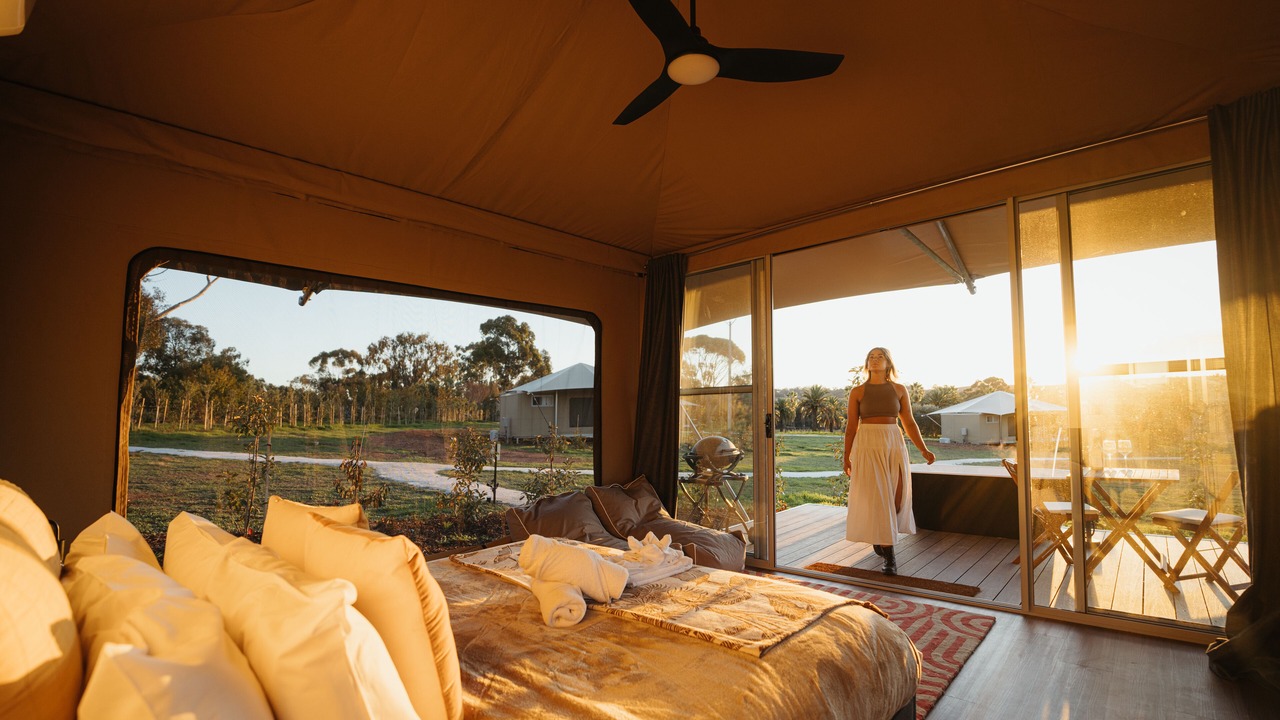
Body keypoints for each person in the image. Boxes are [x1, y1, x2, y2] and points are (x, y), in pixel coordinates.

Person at [842, 347, 936, 575]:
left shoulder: (899, 389)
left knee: (896, 497)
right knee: (880, 497)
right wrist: (847, 457)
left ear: (888, 363)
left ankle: (881, 536)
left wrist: (923, 449)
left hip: (893, 441)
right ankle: (890, 556)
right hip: (867, 443)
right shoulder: (858, 392)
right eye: (871, 357)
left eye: (879, 356)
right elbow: (852, 427)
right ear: (867, 364)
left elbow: (910, 423)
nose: (875, 360)